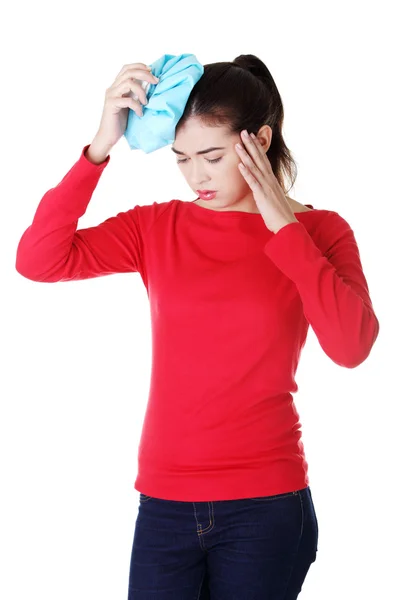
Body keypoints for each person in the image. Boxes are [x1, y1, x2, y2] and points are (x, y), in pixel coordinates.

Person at [15, 55, 380, 599]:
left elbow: (351, 347)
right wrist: (98, 147)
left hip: (267, 506)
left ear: (259, 138)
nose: (196, 176)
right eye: (182, 158)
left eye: (212, 155)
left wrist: (283, 225)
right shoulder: (157, 227)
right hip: (163, 503)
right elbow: (38, 260)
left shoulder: (321, 231)